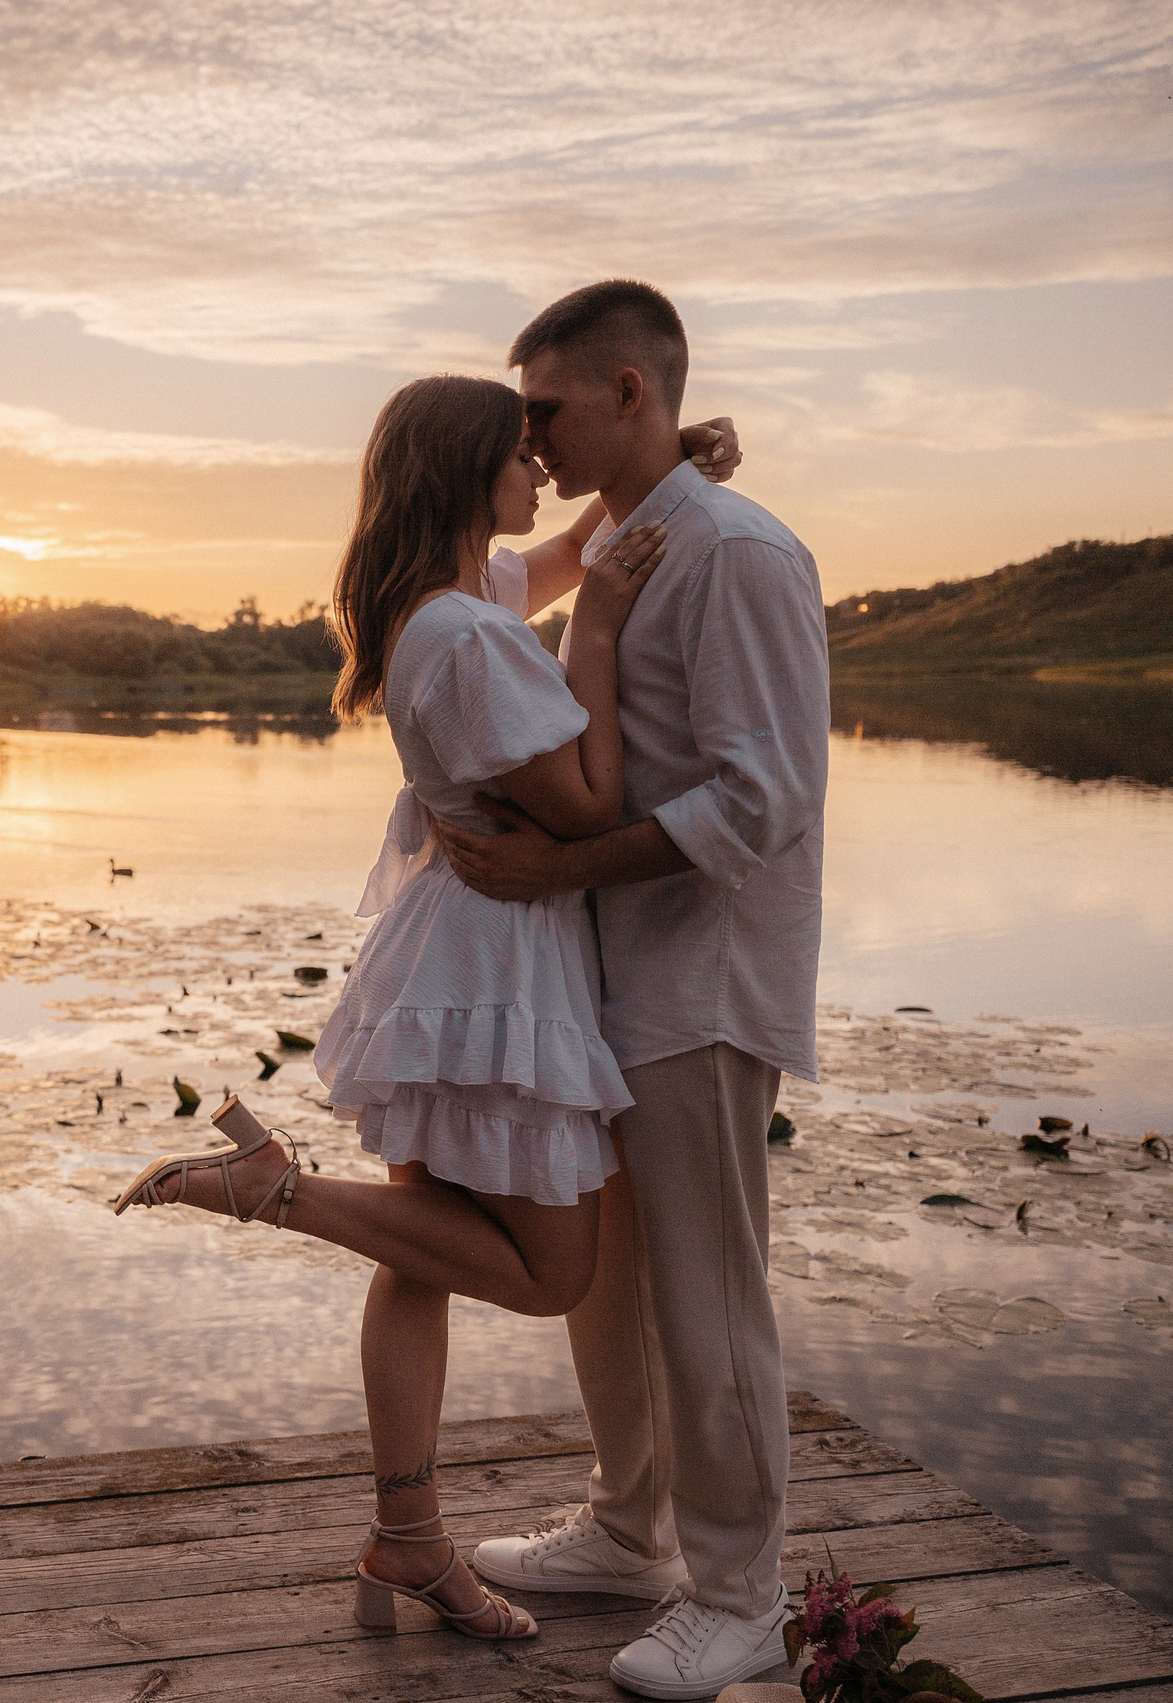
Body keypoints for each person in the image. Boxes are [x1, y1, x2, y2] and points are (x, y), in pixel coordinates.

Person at [111, 372, 742, 1645]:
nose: (543, 470)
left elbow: (567, 551)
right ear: (469, 474)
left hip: (450, 957)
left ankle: (406, 1538)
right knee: (555, 1270)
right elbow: (588, 803)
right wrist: (604, 634)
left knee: (418, 1252)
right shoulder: (464, 636)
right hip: (496, 964)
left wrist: (675, 477)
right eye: (522, 452)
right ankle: (273, 1187)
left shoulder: (453, 605)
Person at [438, 281, 829, 1698]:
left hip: (705, 976)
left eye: (544, 406)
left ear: (625, 392)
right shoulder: (643, 534)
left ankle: (739, 1593)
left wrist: (563, 863)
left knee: (709, 1289)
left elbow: (763, 798)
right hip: (603, 965)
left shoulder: (742, 557)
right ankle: (628, 1525)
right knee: (606, 1273)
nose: (528, 436)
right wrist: (565, 886)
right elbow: (562, 580)